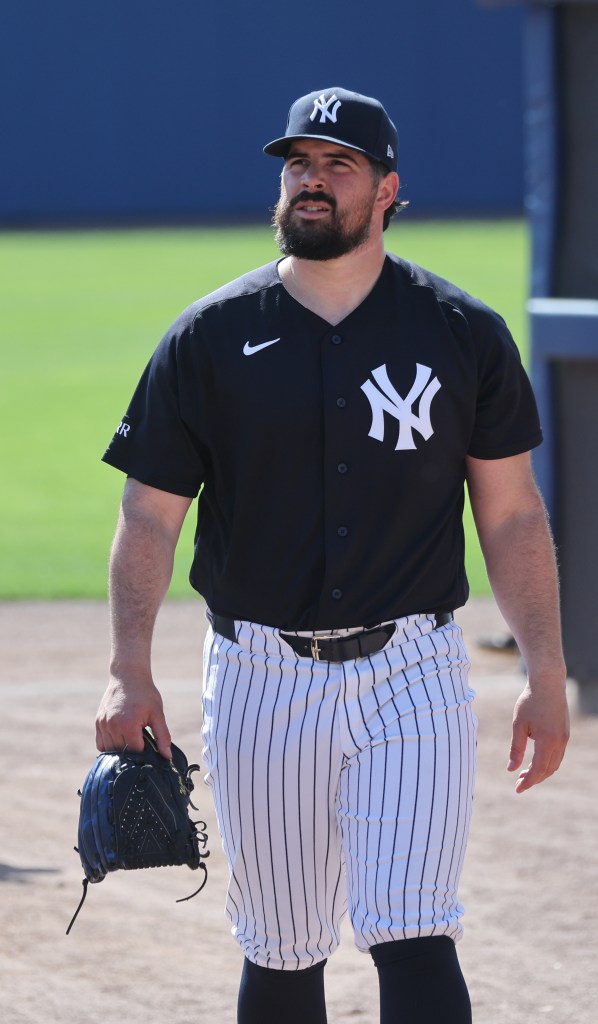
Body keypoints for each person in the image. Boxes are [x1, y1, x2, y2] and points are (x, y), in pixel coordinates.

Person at [95, 87, 570, 1023]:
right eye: (298, 164)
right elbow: (149, 517)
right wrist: (127, 672)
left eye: (338, 165)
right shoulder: (209, 337)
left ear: (388, 188)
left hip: (415, 669)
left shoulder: (461, 332)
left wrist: (546, 670)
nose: (312, 181)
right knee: (281, 941)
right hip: (261, 673)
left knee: (414, 925)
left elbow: (511, 515)